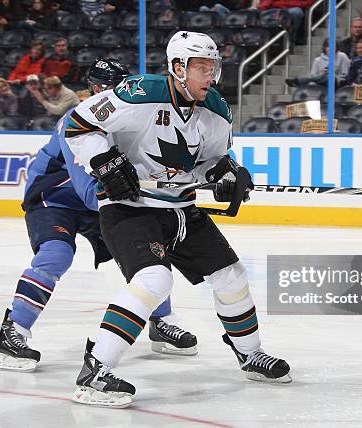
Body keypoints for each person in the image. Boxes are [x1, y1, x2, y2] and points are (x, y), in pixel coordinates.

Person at [64, 31, 291, 408]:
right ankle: (94, 371)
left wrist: (227, 174)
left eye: (213, 68)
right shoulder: (137, 93)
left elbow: (213, 161)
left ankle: (250, 354)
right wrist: (103, 161)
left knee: (231, 276)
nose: (210, 76)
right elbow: (79, 127)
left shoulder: (216, 108)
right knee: (154, 278)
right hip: (130, 210)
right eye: (201, 68)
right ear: (177, 67)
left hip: (182, 210)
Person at [0, 57, 198, 373]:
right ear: (97, 89)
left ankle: (160, 320)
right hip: (55, 199)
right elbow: (88, 188)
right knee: (55, 255)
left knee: (146, 253)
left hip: (97, 200)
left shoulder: (130, 119)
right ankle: (13, 330)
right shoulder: (76, 121)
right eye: (115, 89)